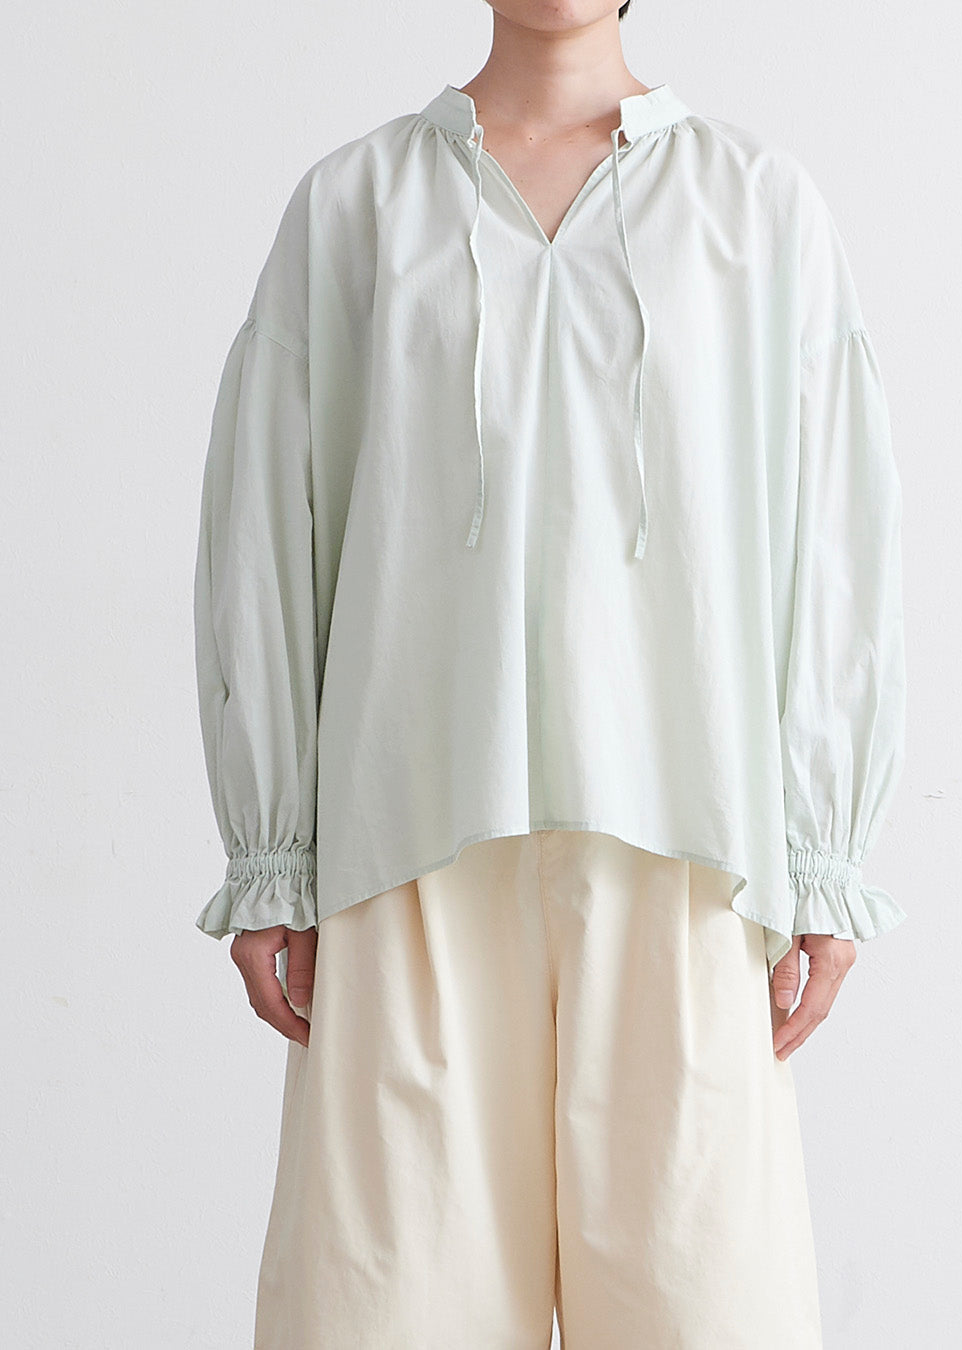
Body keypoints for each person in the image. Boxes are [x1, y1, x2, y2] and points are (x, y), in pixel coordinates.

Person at [192, 2, 907, 1345]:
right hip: (406, 856)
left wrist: (824, 851)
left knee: (709, 1311)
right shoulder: (355, 206)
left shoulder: (757, 206)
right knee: (385, 1313)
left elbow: (834, 539)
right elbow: (268, 525)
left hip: (690, 858)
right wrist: (271, 846)